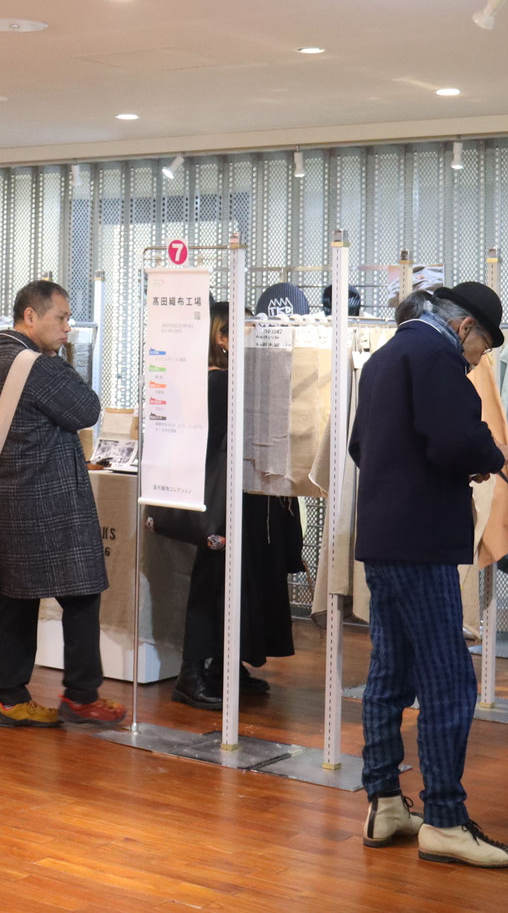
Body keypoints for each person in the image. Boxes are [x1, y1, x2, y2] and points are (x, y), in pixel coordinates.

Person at [350, 280, 508, 868]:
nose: (478, 360)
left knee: (388, 672)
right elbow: (455, 440)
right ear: (464, 327)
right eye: (483, 348)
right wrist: (493, 456)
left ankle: (384, 804)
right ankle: (446, 820)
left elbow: (360, 446)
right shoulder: (437, 356)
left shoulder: (384, 357)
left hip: (383, 537)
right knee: (449, 680)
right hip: (422, 542)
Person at [0, 280, 125, 729]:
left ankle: (11, 699)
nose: (67, 328)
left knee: (14, 602)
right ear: (30, 316)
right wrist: (57, 360)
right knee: (82, 594)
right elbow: (87, 409)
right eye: (61, 318)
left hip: (9, 502)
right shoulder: (38, 367)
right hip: (52, 505)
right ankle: (81, 696)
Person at [169, 302, 304, 710]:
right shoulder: (218, 383)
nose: (256, 336)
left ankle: (222, 667)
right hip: (222, 501)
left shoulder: (226, 381)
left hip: (238, 497)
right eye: (246, 329)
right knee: (213, 582)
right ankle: (192, 673)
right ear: (222, 337)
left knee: (235, 583)